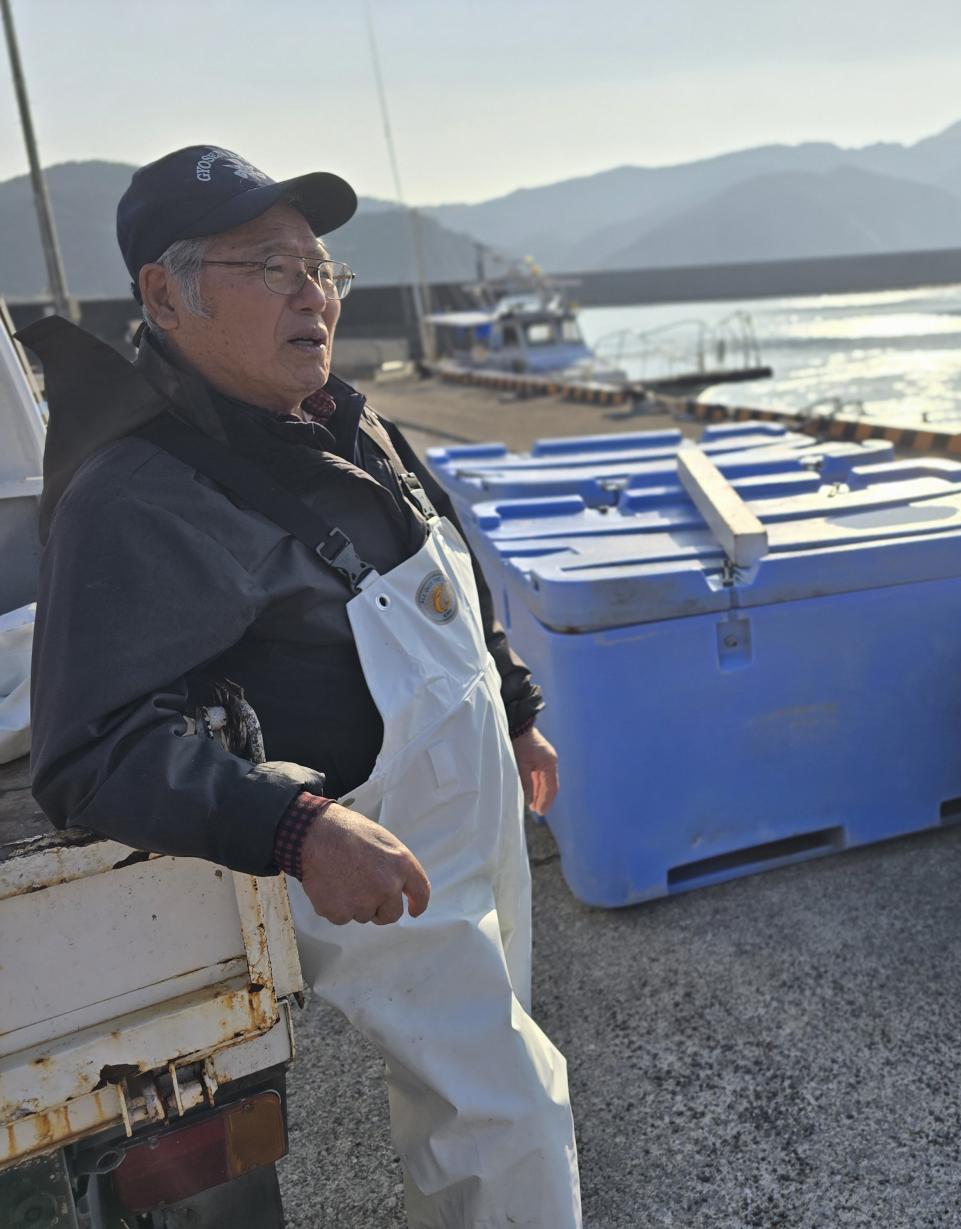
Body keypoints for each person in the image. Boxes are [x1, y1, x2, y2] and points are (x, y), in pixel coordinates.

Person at [20, 147, 580, 1228]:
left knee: (484, 1066)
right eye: (271, 266)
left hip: (473, 829)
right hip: (365, 842)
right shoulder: (138, 493)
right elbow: (89, 752)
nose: (311, 293)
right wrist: (297, 826)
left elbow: (443, 554)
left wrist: (513, 709)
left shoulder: (335, 414)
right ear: (163, 292)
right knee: (506, 1117)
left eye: (322, 269)